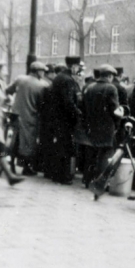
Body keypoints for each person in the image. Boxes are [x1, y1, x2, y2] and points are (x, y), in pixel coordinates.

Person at [6, 61, 49, 176]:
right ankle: (26, 168)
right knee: (28, 143)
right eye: (42, 71)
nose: (44, 73)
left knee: (15, 140)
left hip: (15, 115)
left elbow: (8, 90)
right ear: (37, 72)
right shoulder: (43, 85)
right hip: (30, 117)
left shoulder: (20, 79)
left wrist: (12, 100)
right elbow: (42, 104)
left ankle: (10, 164)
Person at [82, 64, 121, 188]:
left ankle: (87, 179)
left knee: (91, 153)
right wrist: (117, 124)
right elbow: (115, 110)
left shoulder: (89, 87)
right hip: (106, 127)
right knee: (105, 154)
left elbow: (82, 107)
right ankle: (101, 182)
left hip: (90, 125)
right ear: (109, 76)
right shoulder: (111, 88)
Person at [51, 56, 82, 185]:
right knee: (66, 147)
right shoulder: (68, 80)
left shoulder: (58, 77)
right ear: (73, 66)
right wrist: (78, 113)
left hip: (57, 117)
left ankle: (56, 174)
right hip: (66, 119)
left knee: (59, 145)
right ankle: (63, 176)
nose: (78, 69)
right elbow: (68, 101)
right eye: (78, 67)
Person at [38, 64, 65, 179]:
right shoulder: (54, 87)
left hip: (46, 120)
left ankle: (46, 169)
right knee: (53, 146)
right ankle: (51, 170)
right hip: (54, 121)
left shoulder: (48, 88)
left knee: (46, 144)